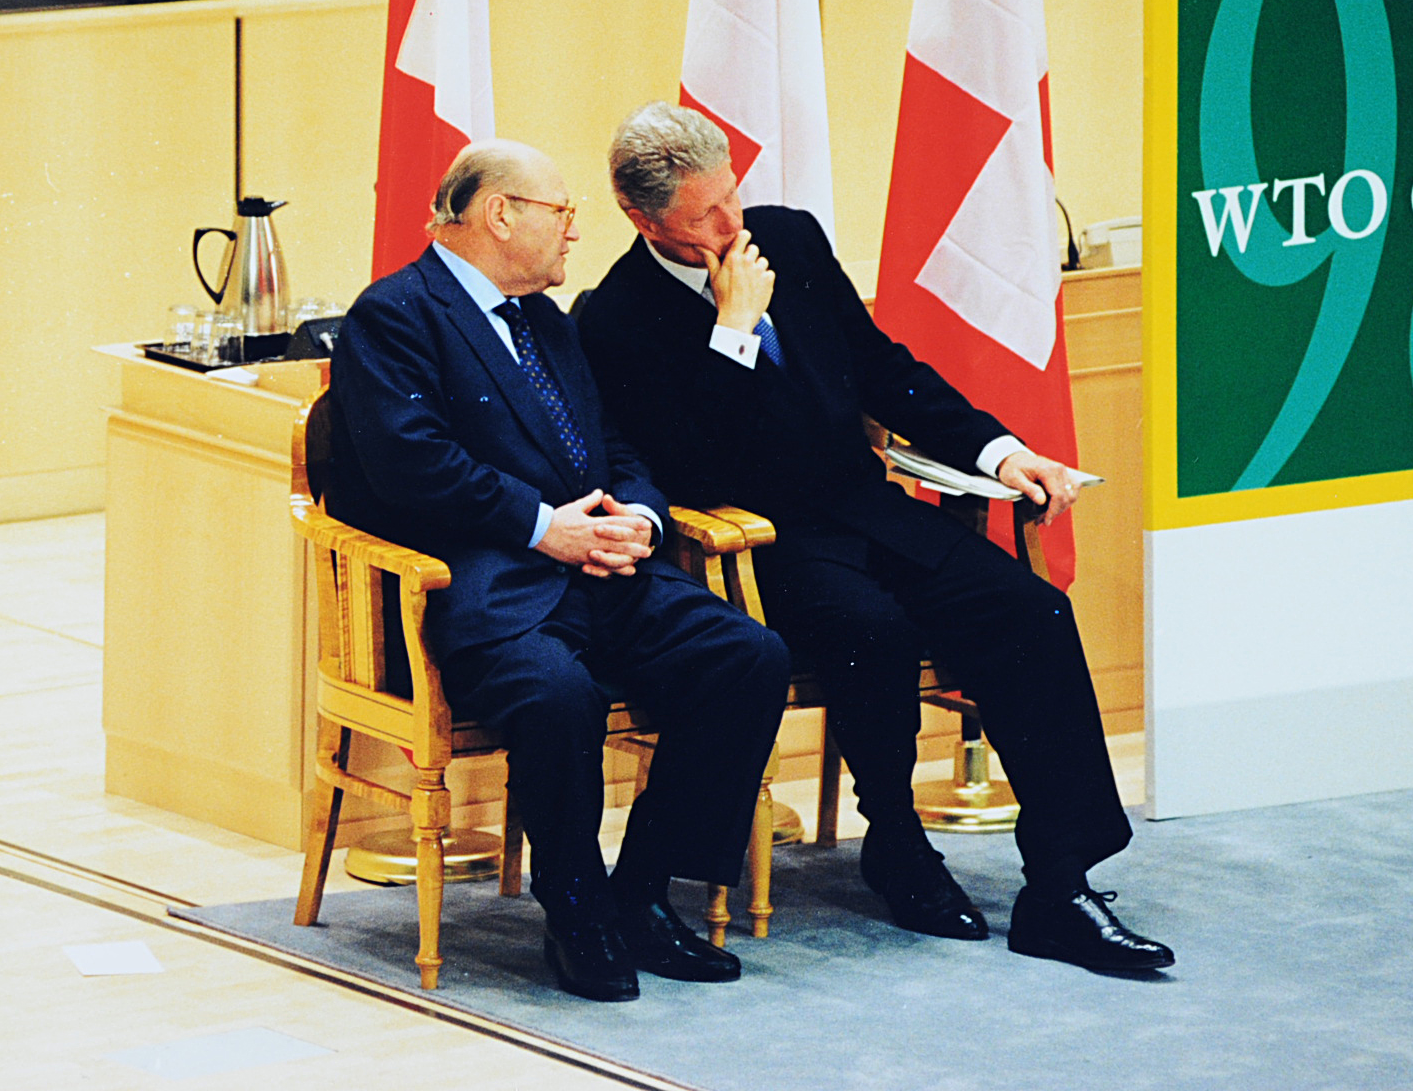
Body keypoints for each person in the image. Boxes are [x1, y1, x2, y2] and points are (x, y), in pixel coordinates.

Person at [576, 102, 1172, 973]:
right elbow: (691, 468)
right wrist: (731, 331)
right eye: (704, 214)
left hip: (866, 506)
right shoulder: (614, 318)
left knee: (1031, 611)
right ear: (643, 218)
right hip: (764, 543)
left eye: (731, 195)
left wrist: (1001, 452)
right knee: (873, 631)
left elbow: (883, 367)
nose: (731, 224)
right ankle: (895, 839)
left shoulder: (788, 238)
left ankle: (1059, 884)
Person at [322, 139, 791, 1002]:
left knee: (746, 657)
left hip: (601, 571)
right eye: (562, 213)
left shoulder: (545, 319)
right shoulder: (396, 315)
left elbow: (611, 446)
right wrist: (545, 530)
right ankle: (576, 914)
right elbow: (412, 465)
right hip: (484, 589)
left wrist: (641, 518)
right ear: (500, 214)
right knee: (558, 696)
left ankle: (641, 894)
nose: (576, 231)